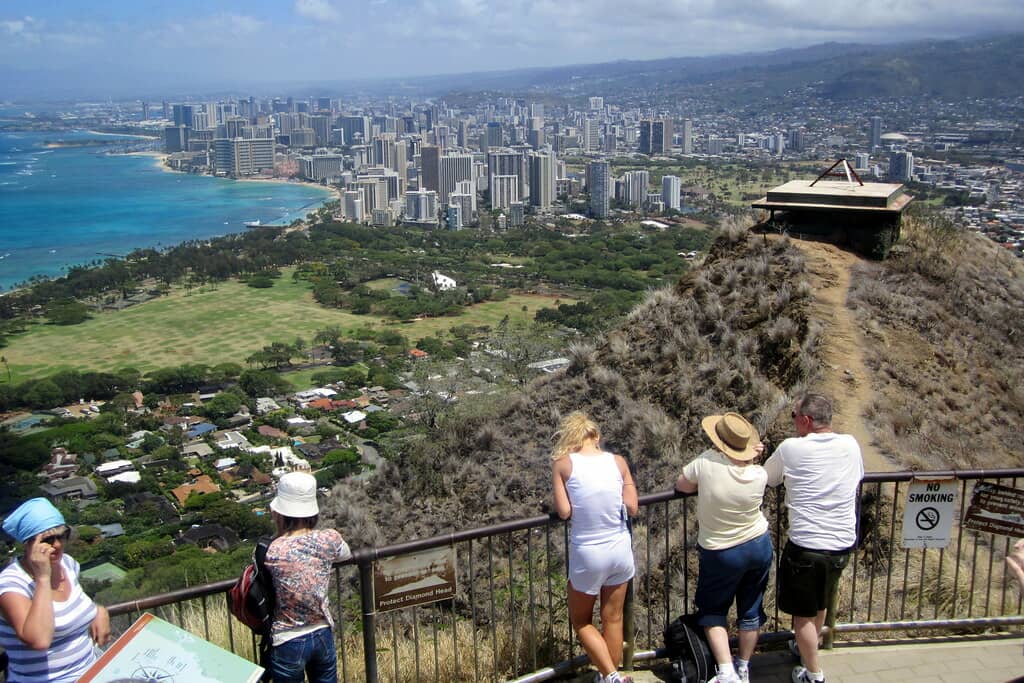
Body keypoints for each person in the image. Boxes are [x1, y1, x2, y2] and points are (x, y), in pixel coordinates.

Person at [763, 393, 864, 683]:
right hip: (842, 544)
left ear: (806, 420)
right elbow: (857, 476)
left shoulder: (791, 448)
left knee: (802, 616)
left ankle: (813, 674)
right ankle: (808, 650)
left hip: (807, 546)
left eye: (794, 416)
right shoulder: (851, 444)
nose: (793, 421)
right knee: (820, 603)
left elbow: (769, 477)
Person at [674, 412, 771, 683]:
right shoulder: (759, 474)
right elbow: (743, 469)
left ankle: (726, 672)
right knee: (750, 610)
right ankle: (743, 666)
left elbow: (682, 485)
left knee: (712, 611)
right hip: (759, 543)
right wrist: (751, 459)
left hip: (722, 550)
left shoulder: (706, 462)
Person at [551, 411, 638, 683]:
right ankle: (610, 676)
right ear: (596, 436)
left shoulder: (563, 465)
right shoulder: (618, 462)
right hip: (620, 547)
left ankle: (610, 676)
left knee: (581, 621)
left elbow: (564, 511)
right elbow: (632, 506)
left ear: (570, 440)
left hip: (589, 551)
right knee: (613, 618)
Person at [0, 497, 111, 682]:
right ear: (27, 544)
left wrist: (98, 611)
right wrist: (43, 578)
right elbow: (39, 640)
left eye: (62, 535)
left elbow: (74, 605)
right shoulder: (11, 585)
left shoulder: (67, 564)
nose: (57, 545)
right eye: (48, 539)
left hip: (91, 671)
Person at [264, 471, 352, 683]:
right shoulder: (328, 538)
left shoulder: (273, 550)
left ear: (280, 513)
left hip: (287, 637)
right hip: (322, 631)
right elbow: (346, 554)